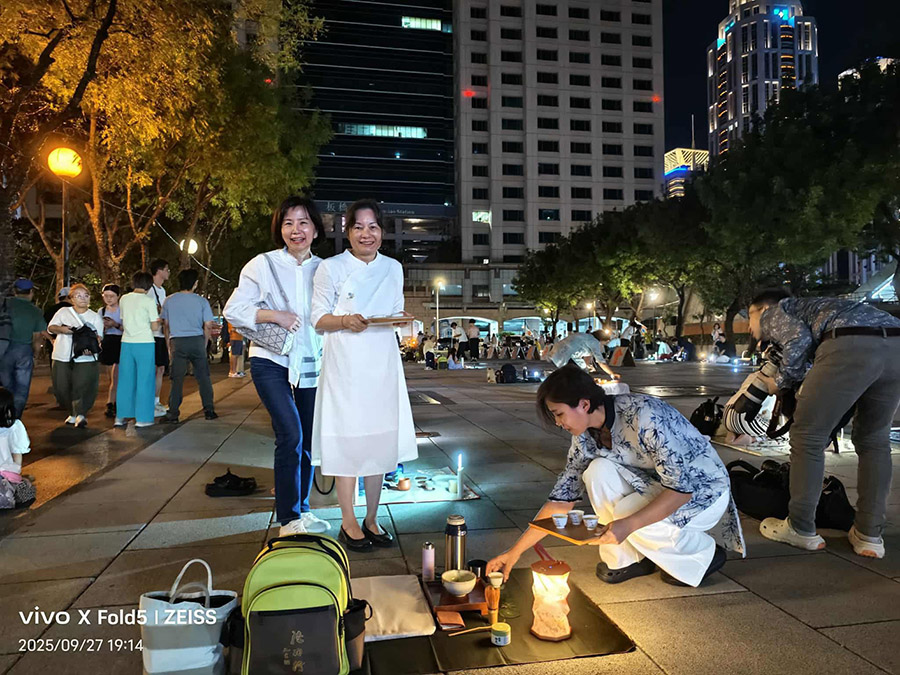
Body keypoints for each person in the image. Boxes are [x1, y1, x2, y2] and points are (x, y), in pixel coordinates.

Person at [486, 365, 744, 587]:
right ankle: (627, 559)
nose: (558, 423)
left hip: (703, 490)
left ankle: (701, 554)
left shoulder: (644, 415)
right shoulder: (584, 438)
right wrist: (514, 552)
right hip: (654, 485)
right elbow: (561, 501)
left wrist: (628, 525)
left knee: (626, 513)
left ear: (584, 404)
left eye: (559, 414)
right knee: (597, 471)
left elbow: (681, 490)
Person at [747, 290, 900, 559]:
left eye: (749, 317)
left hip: (850, 345)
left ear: (759, 310)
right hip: (896, 345)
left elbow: (797, 338)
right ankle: (869, 534)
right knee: (874, 441)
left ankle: (801, 527)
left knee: (808, 436)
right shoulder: (824, 307)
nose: (750, 327)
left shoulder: (777, 310)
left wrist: (779, 381)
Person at [311, 199, 417, 552]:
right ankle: (348, 521)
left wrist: (401, 319)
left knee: (378, 442)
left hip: (382, 363)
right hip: (345, 365)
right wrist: (344, 320)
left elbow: (394, 311)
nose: (366, 234)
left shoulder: (393, 268)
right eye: (358, 227)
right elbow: (318, 318)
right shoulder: (330, 268)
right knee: (348, 441)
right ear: (348, 232)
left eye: (373, 227)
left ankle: (372, 518)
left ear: (382, 232)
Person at [224, 196, 331, 537]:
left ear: (315, 229)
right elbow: (233, 309)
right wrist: (274, 315)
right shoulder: (262, 264)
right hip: (270, 360)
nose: (296, 230)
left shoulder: (325, 269)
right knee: (290, 434)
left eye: (303, 222)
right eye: (288, 223)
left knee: (308, 440)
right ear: (279, 229)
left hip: (312, 362)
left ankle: (302, 509)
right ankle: (288, 520)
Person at [160, 269, 218, 424]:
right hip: (197, 340)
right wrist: (204, 343)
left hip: (177, 342)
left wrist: (168, 344)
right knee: (203, 377)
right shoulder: (202, 301)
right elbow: (208, 325)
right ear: (195, 284)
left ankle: (173, 413)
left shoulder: (169, 300)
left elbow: (166, 325)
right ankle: (209, 410)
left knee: (177, 379)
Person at [47, 284, 103, 428]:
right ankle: (72, 412)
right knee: (61, 386)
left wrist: (92, 347)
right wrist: (62, 329)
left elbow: (99, 337)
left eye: (86, 295)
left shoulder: (94, 317)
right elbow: (51, 327)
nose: (83, 298)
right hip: (62, 354)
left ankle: (80, 413)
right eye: (78, 296)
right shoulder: (63, 312)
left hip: (85, 357)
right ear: (71, 298)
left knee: (82, 385)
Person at [117, 272, 161, 428]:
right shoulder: (149, 301)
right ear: (149, 286)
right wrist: (158, 321)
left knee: (125, 380)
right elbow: (154, 326)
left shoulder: (124, 299)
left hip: (127, 342)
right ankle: (142, 418)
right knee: (145, 380)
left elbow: (123, 320)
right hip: (145, 342)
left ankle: (120, 416)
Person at [0, 279, 46, 418]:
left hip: (4, 349)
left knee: (6, 387)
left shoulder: (5, 305)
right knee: (22, 388)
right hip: (23, 351)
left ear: (15, 291)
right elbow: (37, 337)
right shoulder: (35, 311)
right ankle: (16, 418)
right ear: (31, 292)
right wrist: (36, 355)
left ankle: (4, 415)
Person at [0, 387, 35, 508]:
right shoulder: (15, 427)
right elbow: (17, 455)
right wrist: (16, 475)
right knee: (26, 487)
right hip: (6, 474)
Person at [548, 331, 620, 380]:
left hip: (556, 352)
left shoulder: (585, 336)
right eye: (606, 342)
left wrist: (588, 367)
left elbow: (587, 357)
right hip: (566, 355)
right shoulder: (594, 341)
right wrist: (612, 374)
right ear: (602, 340)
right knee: (579, 375)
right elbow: (601, 361)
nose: (604, 345)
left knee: (578, 371)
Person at [149, 259, 170, 417]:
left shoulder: (162, 290)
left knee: (161, 368)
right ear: (159, 271)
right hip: (151, 335)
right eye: (167, 269)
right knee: (153, 369)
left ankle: (156, 401)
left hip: (161, 335)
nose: (168, 272)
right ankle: (150, 402)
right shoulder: (149, 291)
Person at [98, 284, 123, 418]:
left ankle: (112, 402)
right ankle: (112, 401)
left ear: (118, 296)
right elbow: (97, 330)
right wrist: (104, 327)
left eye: (112, 296)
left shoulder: (123, 310)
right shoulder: (101, 311)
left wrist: (115, 324)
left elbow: (128, 328)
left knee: (116, 375)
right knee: (110, 377)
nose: (108, 299)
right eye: (106, 296)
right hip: (107, 342)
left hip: (120, 341)